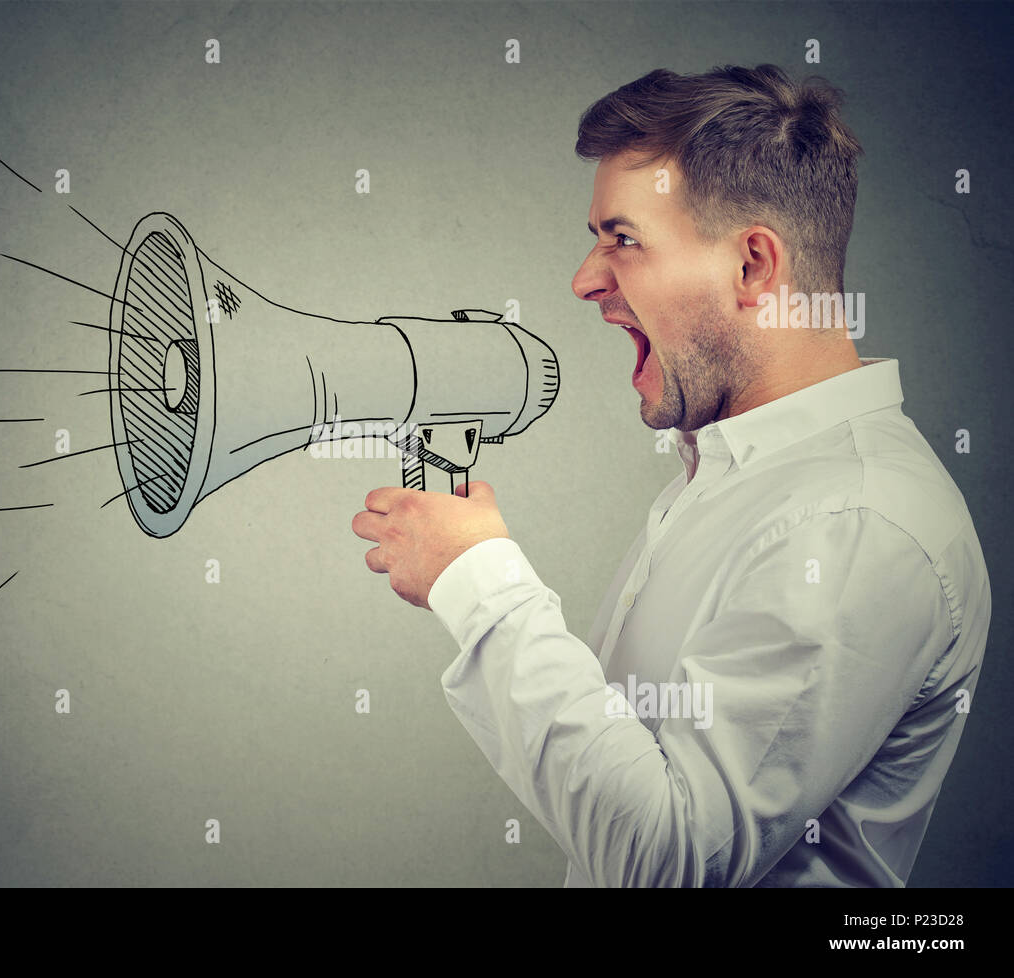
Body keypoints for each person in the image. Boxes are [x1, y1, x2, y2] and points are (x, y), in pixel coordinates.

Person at [351, 64, 990, 887]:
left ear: (755, 265)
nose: (586, 279)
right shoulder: (735, 475)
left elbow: (672, 857)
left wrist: (478, 583)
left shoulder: (855, 522)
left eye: (624, 239)